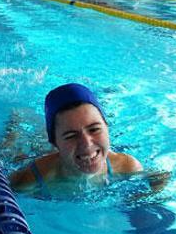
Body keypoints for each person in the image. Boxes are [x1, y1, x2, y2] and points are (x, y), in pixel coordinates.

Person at [9, 83, 144, 194]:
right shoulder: (31, 179)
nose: (86, 144)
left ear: (107, 128)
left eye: (94, 129)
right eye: (71, 136)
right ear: (54, 142)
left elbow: (159, 179)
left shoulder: (127, 166)